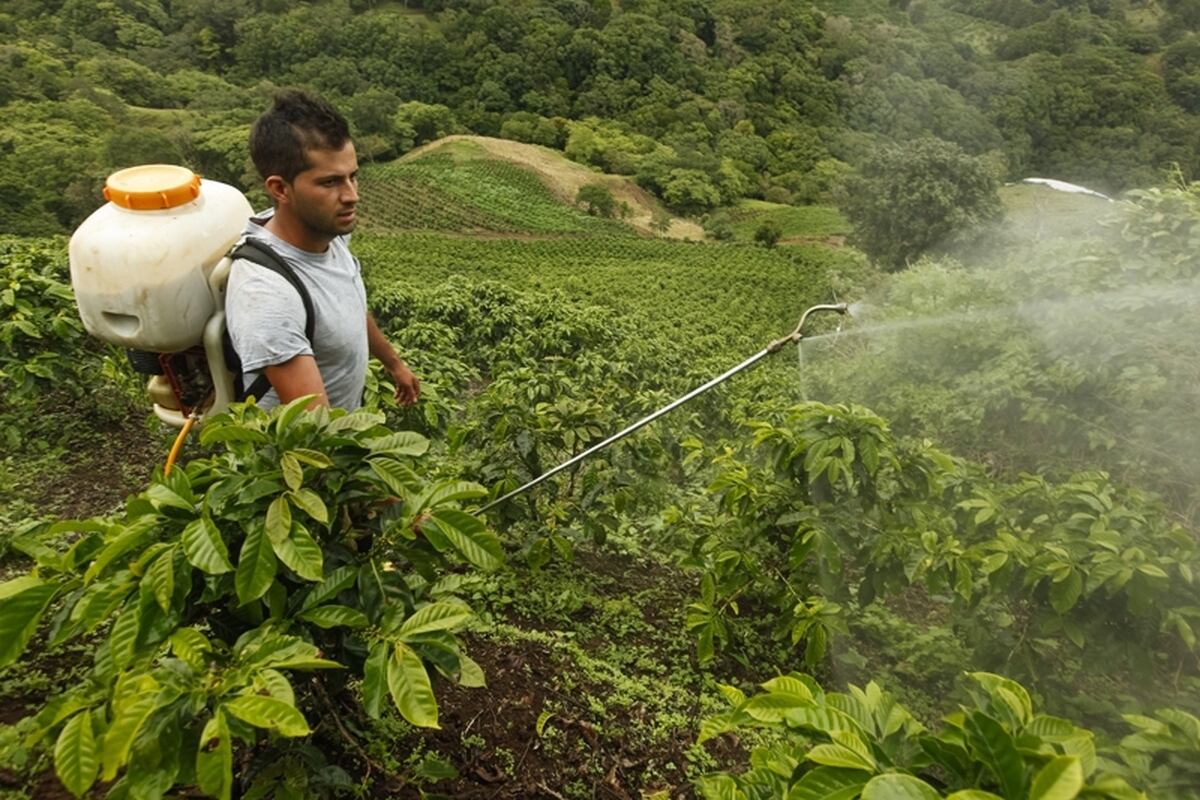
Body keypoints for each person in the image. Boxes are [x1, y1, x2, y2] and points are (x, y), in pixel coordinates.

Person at [225, 89, 419, 411]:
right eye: (330, 182)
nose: (351, 195)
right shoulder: (267, 296)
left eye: (352, 177)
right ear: (279, 189)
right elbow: (318, 431)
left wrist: (394, 363)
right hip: (310, 455)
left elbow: (348, 300)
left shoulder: (326, 232)